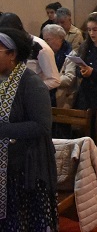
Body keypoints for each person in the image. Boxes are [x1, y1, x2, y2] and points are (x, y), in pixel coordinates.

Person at [0, 27, 59, 230]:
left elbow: (41, 126)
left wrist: (4, 130)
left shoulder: (31, 83)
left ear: (12, 54)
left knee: (23, 222)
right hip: (6, 164)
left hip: (27, 166)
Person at [0, 12, 60, 90]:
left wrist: (31, 88)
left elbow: (54, 80)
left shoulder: (40, 47)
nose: (6, 39)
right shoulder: (5, 46)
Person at [42, 24, 77, 108]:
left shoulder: (71, 54)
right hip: (47, 95)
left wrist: (51, 82)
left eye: (48, 39)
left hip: (63, 98)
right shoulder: (46, 53)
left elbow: (69, 78)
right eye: (44, 40)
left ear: (60, 38)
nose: (46, 43)